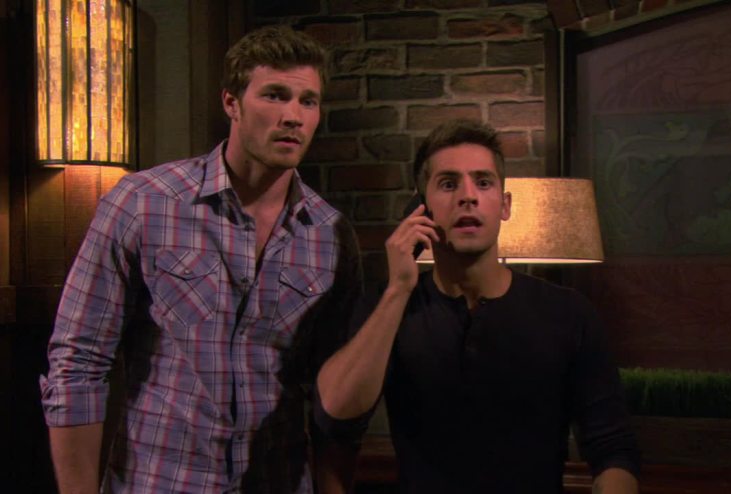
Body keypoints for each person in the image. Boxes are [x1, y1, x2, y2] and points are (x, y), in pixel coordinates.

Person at [40, 25, 362, 494]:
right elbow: (77, 363)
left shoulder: (329, 235)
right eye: (274, 95)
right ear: (231, 102)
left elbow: (336, 394)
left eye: (307, 101)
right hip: (160, 482)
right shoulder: (144, 203)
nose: (293, 116)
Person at [315, 119, 640, 493]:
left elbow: (613, 449)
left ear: (505, 205)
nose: (468, 196)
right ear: (421, 209)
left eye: (483, 183)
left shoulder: (568, 313)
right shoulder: (389, 306)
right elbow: (335, 414)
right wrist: (398, 289)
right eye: (448, 184)